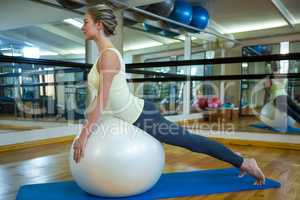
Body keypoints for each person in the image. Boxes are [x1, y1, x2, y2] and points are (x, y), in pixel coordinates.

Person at [72, 4, 265, 185]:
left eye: (85, 21)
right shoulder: (103, 55)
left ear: (98, 25)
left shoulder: (109, 56)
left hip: (140, 116)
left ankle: (245, 163)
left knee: (191, 142)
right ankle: (236, 157)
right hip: (126, 115)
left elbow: (103, 99)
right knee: (190, 140)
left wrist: (84, 134)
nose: (82, 27)